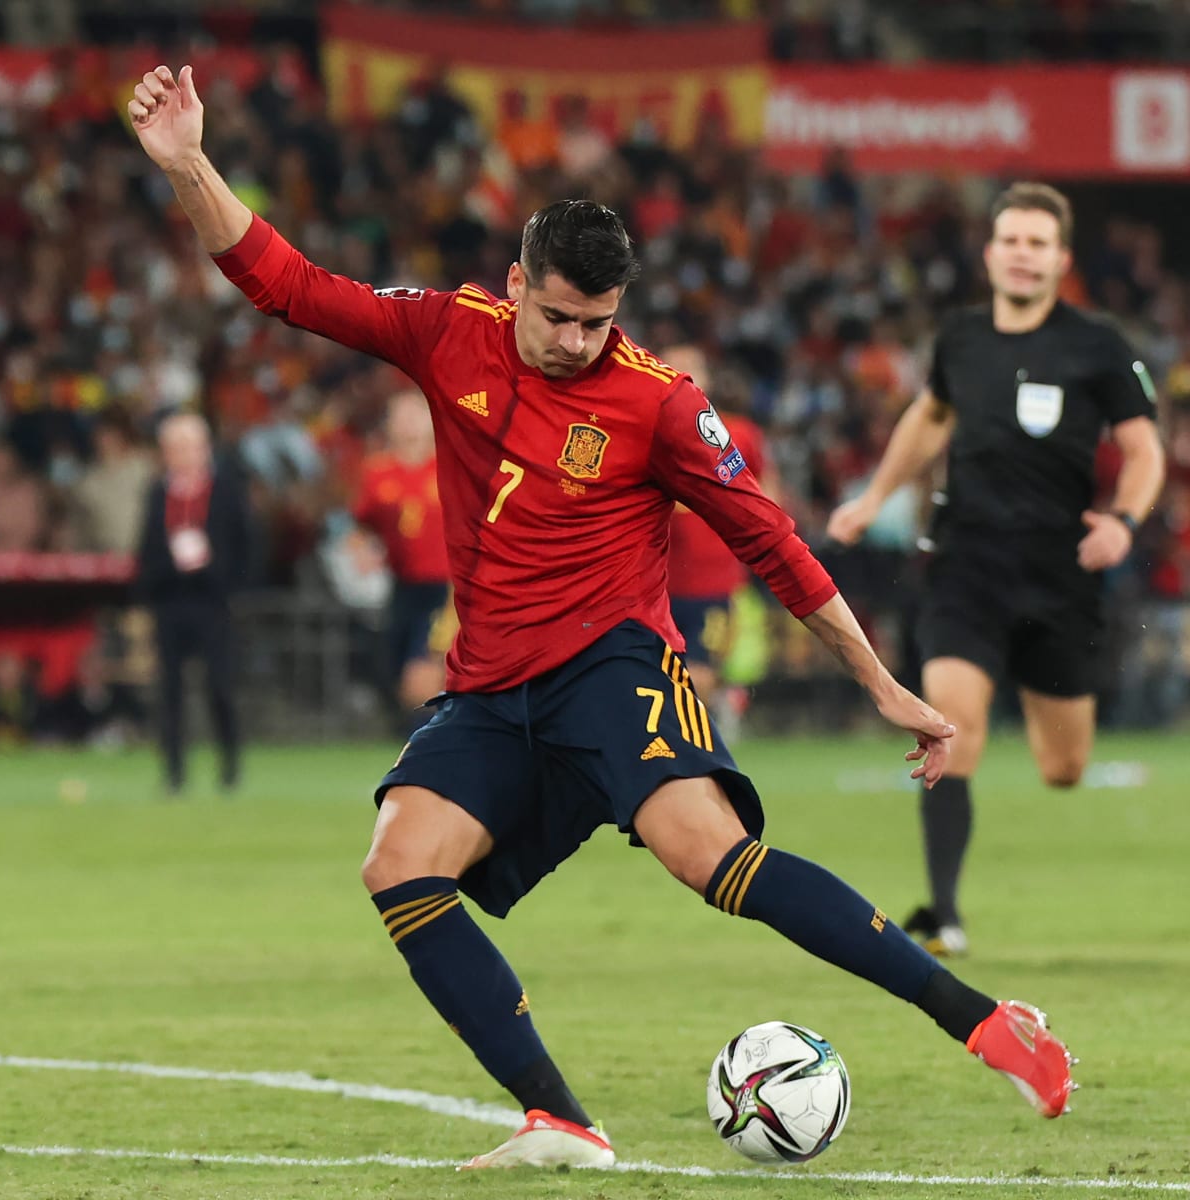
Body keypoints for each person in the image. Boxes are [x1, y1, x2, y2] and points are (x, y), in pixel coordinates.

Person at [129, 67, 1076, 1169]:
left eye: (598, 323)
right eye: (559, 317)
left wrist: (880, 682)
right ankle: (561, 1121)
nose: (578, 342)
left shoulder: (659, 403)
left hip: (613, 668)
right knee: (398, 862)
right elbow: (287, 284)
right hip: (492, 688)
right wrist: (189, 164)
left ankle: (985, 1023)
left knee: (711, 858)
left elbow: (771, 539)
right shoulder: (447, 331)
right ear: (516, 284)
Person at [827, 182, 1166, 957]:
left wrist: (1122, 522)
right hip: (966, 563)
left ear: (1061, 259)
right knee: (953, 722)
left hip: (1059, 575)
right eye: (1010, 239)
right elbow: (930, 416)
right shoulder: (961, 338)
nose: (1022, 254)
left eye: (1037, 243)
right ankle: (943, 916)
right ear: (990, 253)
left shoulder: (1098, 344)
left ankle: (954, 900)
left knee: (1064, 766)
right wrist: (873, 497)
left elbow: (1144, 449)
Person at [661, 344, 776, 735]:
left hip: (712, 580)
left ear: (707, 378)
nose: (681, 375)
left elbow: (766, 495)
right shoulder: (642, 431)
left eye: (691, 368)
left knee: (701, 667)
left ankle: (689, 737)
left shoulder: (736, 433)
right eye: (673, 366)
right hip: (653, 582)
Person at [135, 411, 251, 795]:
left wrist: (226, 579)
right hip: (170, 600)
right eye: (175, 448)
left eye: (189, 447)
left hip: (212, 602)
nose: (183, 455)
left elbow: (245, 542)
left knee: (220, 685)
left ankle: (230, 765)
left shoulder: (226, 490)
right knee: (169, 690)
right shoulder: (157, 492)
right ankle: (174, 771)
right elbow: (147, 546)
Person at [351, 387, 453, 728]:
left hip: (444, 588)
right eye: (401, 415)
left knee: (420, 674)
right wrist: (363, 552)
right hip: (402, 586)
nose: (408, 423)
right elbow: (361, 527)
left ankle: (424, 746)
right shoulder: (378, 472)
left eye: (415, 414)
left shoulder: (450, 466)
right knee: (394, 669)